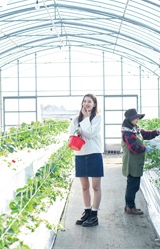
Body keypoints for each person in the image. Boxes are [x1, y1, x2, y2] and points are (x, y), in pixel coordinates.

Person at [121, 108, 160, 215]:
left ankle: (129, 206)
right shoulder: (127, 132)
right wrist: (145, 149)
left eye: (137, 117)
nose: (137, 119)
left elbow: (145, 134)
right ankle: (130, 207)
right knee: (132, 185)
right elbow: (132, 147)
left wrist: (157, 132)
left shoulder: (134, 129)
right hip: (131, 162)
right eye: (135, 118)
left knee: (134, 185)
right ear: (129, 119)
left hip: (136, 161)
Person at [69, 93, 103, 227]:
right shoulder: (76, 119)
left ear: (94, 104)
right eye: (85, 101)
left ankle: (94, 215)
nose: (87, 103)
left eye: (89, 101)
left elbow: (90, 133)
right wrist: (75, 133)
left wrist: (86, 118)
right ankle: (87, 211)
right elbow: (72, 134)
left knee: (95, 186)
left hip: (94, 154)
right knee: (84, 186)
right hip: (80, 154)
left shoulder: (97, 117)